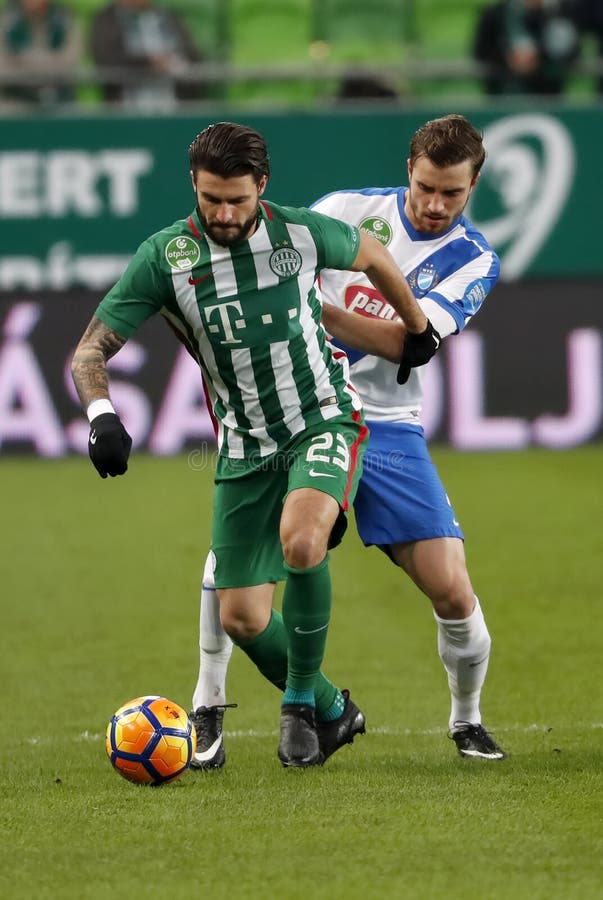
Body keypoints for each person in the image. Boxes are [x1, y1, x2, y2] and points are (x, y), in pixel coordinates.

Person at [70, 121, 440, 769]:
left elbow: (373, 255)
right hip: (244, 447)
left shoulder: (299, 232)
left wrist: (415, 329)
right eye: (211, 198)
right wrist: (100, 413)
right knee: (241, 618)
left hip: (324, 419)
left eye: (237, 200)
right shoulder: (166, 258)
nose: (223, 213)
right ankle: (331, 708)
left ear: (261, 188)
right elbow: (90, 350)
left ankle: (297, 706)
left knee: (303, 540)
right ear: (194, 185)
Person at [190, 114, 507, 771]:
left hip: (388, 424)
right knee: (237, 560)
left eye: (451, 193)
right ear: (408, 170)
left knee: (450, 588)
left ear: (473, 186)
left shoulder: (473, 260)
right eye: (424, 186)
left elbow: (409, 344)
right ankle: (208, 704)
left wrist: (306, 311)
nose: (433, 204)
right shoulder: (344, 211)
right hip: (300, 409)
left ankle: (467, 720)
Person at [89, 0, 204, 108]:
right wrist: (149, 63)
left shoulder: (168, 17)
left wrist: (174, 62)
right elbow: (106, 59)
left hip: (174, 102)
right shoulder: (106, 19)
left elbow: (193, 55)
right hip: (125, 103)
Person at [473, 0, 580, 95]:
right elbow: (481, 49)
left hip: (548, 95)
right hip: (501, 95)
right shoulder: (495, 13)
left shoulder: (560, 12)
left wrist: (539, 58)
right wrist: (508, 58)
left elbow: (572, 50)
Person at [0, 0, 82, 106]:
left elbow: (70, 61)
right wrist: (47, 63)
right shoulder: (6, 18)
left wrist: (25, 62)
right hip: (15, 98)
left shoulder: (66, 18)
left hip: (61, 96)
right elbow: (3, 66)